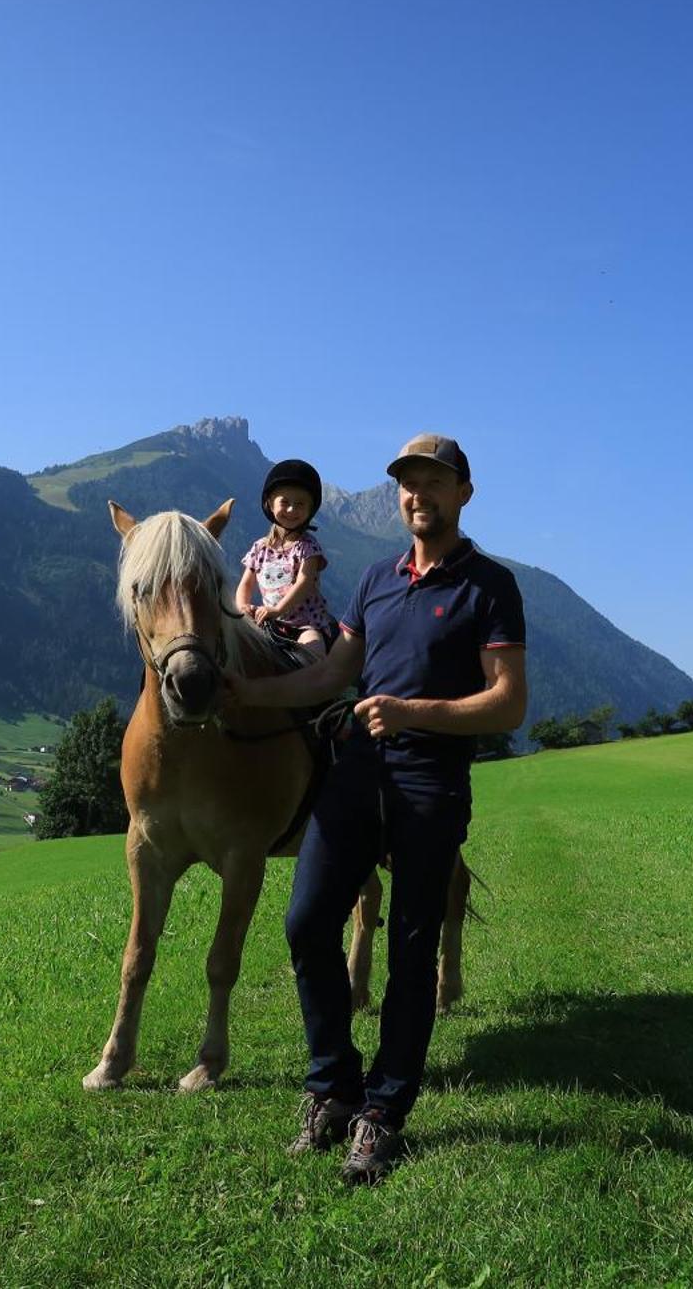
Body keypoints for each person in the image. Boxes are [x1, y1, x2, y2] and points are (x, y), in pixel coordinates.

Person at [229, 433, 528, 1184]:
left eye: (433, 481)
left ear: (463, 491)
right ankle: (332, 1086)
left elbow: (508, 703)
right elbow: (332, 671)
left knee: (407, 947)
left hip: (430, 781)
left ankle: (383, 1112)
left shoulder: (490, 586)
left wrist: (411, 711)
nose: (417, 493)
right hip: (357, 769)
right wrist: (246, 693)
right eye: (407, 483)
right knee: (306, 920)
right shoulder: (374, 579)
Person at [236, 458, 336, 659]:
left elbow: (305, 583)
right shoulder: (260, 547)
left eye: (300, 504)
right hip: (269, 622)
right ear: (270, 505)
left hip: (305, 624)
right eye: (285, 502)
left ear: (310, 510)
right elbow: (246, 584)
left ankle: (316, 687)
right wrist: (242, 607)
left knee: (312, 654)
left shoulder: (308, 547)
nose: (291, 509)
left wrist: (276, 609)